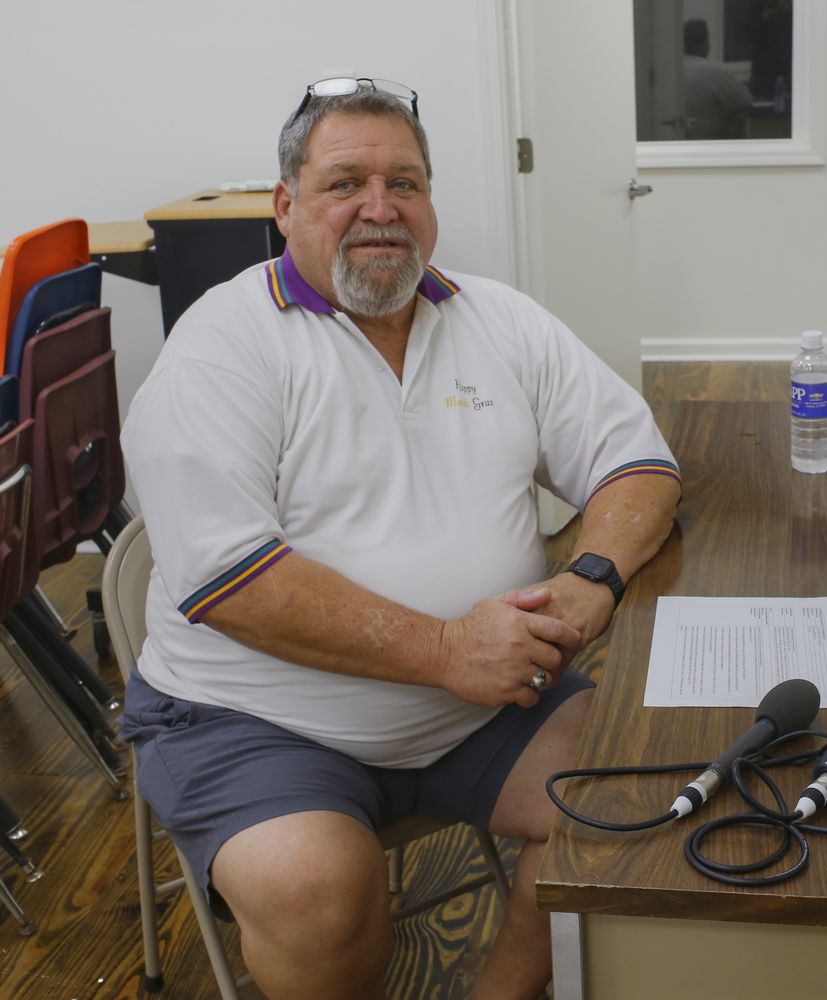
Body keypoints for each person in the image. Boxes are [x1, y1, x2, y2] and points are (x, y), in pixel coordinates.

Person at [118, 78, 681, 1000]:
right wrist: (446, 648)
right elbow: (225, 580)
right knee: (317, 892)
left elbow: (639, 466)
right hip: (256, 722)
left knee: (628, 803)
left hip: (482, 706)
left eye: (406, 183)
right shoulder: (222, 345)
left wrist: (591, 578)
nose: (380, 209)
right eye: (346, 182)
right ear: (287, 204)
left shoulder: (497, 319)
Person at [682, 18, 752, 140]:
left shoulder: (671, 71)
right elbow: (745, 101)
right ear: (705, 43)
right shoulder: (714, 70)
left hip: (677, 141)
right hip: (709, 142)